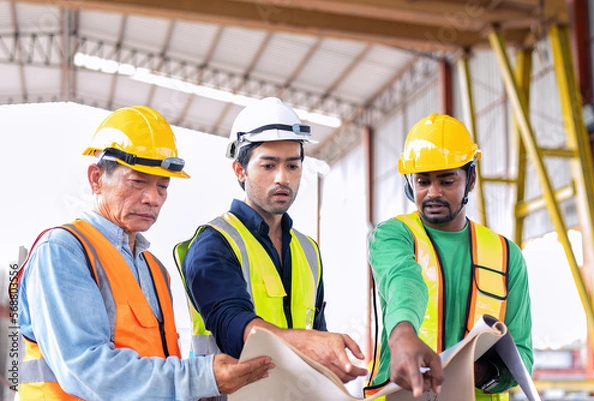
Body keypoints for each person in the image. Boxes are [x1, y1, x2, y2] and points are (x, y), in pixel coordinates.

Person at [15, 106, 273, 400]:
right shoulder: (63, 252)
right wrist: (202, 377)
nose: (153, 198)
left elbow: (158, 364)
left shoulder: (155, 269)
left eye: (163, 186)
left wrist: (209, 383)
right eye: (138, 182)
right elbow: (86, 371)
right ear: (96, 178)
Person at [174, 97, 368, 388]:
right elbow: (232, 327)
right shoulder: (213, 245)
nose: (283, 178)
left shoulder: (308, 251)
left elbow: (316, 329)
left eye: (293, 166)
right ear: (240, 170)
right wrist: (310, 345)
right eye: (268, 165)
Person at [366, 113, 533, 399]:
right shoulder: (392, 235)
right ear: (409, 185)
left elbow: (522, 357)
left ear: (470, 180)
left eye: (446, 181)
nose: (433, 193)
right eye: (422, 182)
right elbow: (403, 280)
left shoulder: (507, 256)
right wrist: (402, 334)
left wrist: (472, 371)